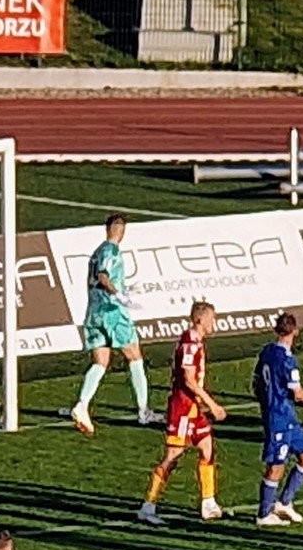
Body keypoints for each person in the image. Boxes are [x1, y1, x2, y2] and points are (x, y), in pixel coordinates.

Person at [68, 214, 162, 433]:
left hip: (94, 313)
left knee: (100, 362)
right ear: (119, 230)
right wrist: (118, 295)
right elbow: (103, 277)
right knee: (134, 355)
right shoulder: (111, 250)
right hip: (112, 313)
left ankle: (82, 405)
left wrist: (126, 290)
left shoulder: (96, 253)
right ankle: (143, 411)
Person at [138, 302, 227, 526]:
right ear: (200, 320)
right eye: (211, 319)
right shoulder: (189, 344)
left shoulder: (195, 342)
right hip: (183, 408)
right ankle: (148, 506)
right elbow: (188, 380)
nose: (213, 323)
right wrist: (212, 405)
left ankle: (208, 503)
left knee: (207, 447)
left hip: (193, 407)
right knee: (173, 456)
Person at [252, 312, 303, 527]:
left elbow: (256, 382)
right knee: (276, 465)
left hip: (287, 416)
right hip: (278, 418)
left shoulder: (267, 351)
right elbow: (297, 393)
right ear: (295, 331)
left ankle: (284, 502)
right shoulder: (287, 360)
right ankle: (264, 514)